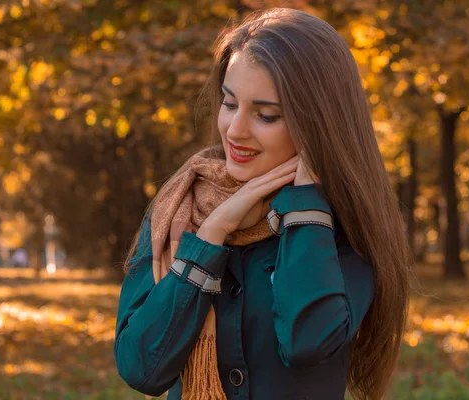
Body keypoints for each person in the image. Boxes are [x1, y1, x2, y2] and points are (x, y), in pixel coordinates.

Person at [114, 8, 410, 400]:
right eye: (230, 103)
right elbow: (141, 368)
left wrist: (306, 206)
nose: (235, 131)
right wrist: (211, 234)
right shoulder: (179, 208)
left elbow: (307, 341)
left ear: (318, 122)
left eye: (266, 115)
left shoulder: (346, 226)